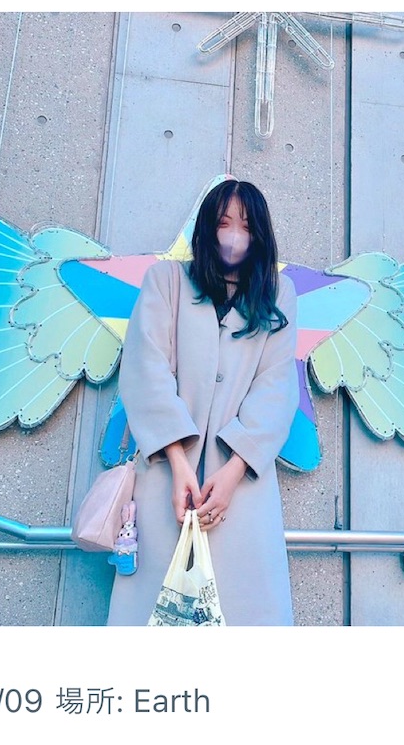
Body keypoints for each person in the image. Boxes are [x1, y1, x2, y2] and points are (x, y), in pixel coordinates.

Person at [107, 180, 299, 625]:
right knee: (152, 615)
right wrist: (178, 463)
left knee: (244, 615)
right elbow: (145, 370)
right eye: (224, 223)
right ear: (206, 229)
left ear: (260, 235)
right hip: (165, 476)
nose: (234, 236)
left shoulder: (277, 295)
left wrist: (232, 473)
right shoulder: (166, 282)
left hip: (242, 484)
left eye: (246, 226)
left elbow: (276, 388)